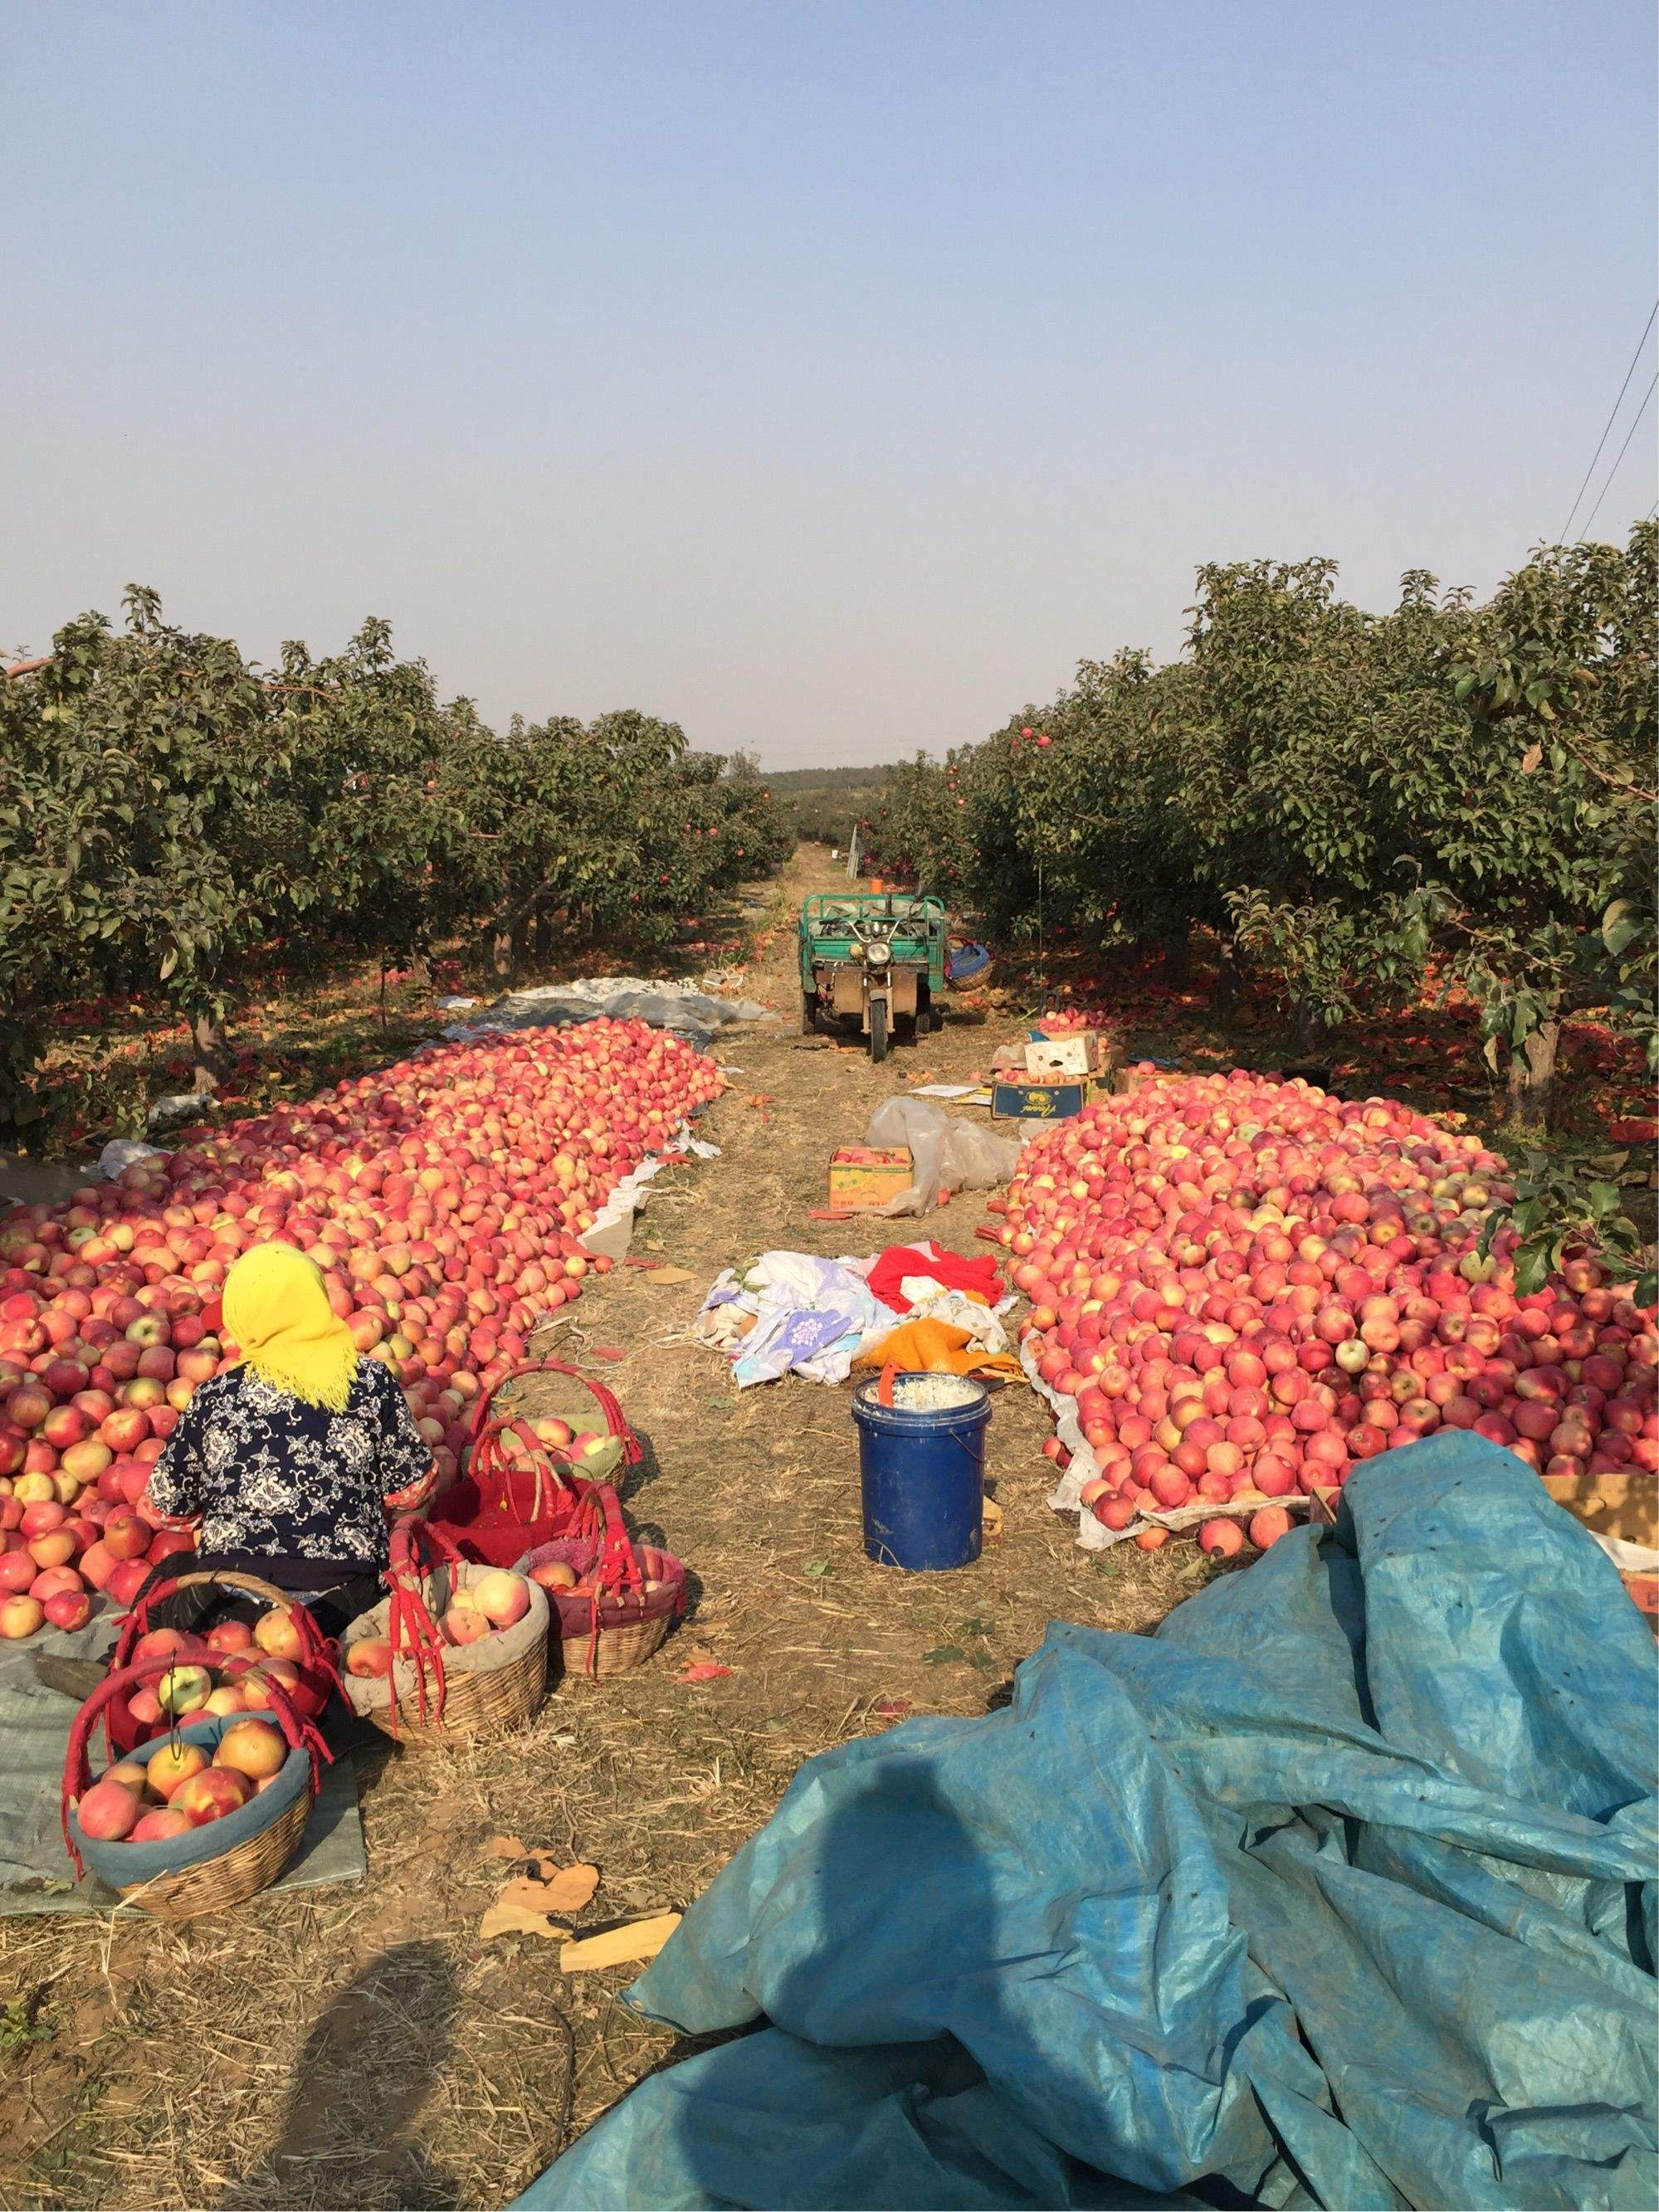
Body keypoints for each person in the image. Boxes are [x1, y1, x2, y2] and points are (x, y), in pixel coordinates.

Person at [138, 1240, 435, 1638]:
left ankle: (118, 1668)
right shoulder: (372, 1382)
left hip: (229, 1605)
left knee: (170, 1574)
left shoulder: (214, 1395)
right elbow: (412, 1493)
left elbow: (165, 1508)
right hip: (342, 1605)